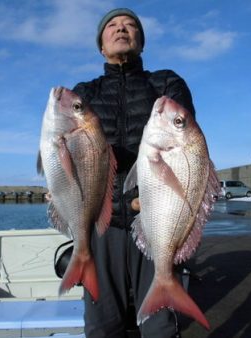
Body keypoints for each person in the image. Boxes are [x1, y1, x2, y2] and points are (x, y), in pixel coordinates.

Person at [72, 8, 196, 338]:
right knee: (102, 325)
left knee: (160, 327)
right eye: (112, 26)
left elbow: (186, 144)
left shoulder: (166, 83)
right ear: (101, 46)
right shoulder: (85, 93)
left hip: (157, 216)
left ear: (141, 42)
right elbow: (66, 149)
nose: (122, 29)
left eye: (130, 26)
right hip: (102, 220)